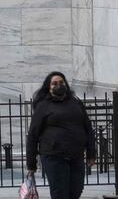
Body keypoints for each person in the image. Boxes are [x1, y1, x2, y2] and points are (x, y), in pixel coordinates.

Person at [26, 71, 96, 199]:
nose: (58, 85)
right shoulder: (43, 106)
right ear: (49, 87)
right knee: (60, 193)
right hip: (54, 157)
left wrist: (91, 153)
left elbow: (88, 128)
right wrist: (31, 164)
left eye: (61, 82)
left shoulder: (76, 102)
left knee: (76, 190)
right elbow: (33, 135)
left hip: (76, 155)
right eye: (54, 83)